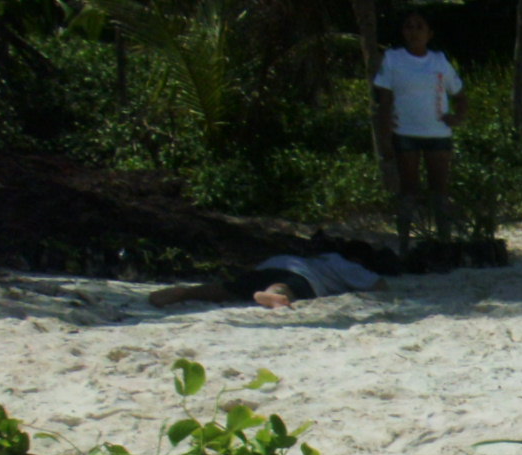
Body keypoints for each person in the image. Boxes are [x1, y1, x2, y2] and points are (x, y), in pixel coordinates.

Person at [373, 10, 465, 236]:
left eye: (419, 27)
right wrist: (384, 136)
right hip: (405, 132)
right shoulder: (393, 59)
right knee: (408, 190)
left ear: (429, 33)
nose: (413, 32)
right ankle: (405, 240)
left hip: (438, 133)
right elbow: (384, 100)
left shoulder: (439, 60)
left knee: (440, 190)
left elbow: (460, 93)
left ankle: (444, 240)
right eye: (408, 26)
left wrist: (458, 117)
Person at [148, 252, 384, 309]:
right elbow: (379, 286)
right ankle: (273, 296)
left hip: (273, 264)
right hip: (303, 277)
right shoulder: (340, 261)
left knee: (231, 289)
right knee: (285, 286)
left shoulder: (305, 257)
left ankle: (186, 293)